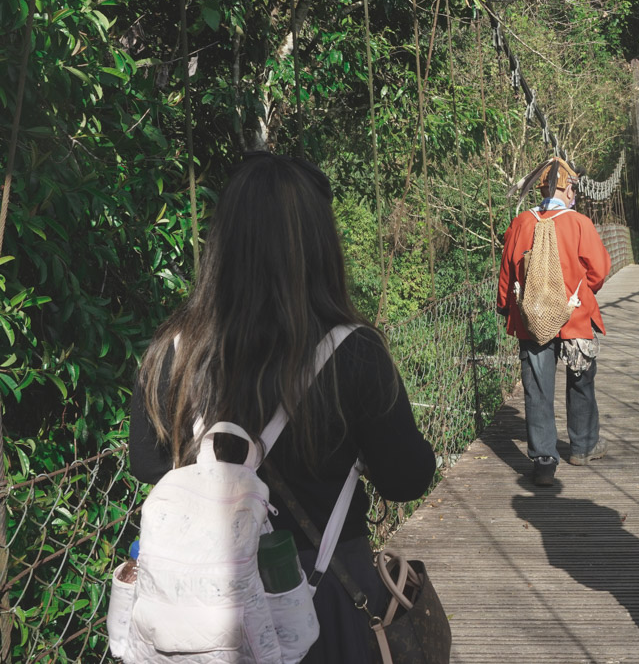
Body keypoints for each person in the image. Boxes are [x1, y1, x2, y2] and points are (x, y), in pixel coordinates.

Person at [130, 152, 437, 664]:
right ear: (320, 246)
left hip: (208, 616)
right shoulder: (353, 352)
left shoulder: (174, 350)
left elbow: (146, 463)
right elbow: (407, 479)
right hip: (324, 607)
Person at [497, 157, 611, 486]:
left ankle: (544, 460)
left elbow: (506, 273)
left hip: (532, 319)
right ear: (564, 187)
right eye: (574, 187)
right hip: (574, 316)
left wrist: (507, 306)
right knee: (581, 380)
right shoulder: (579, 224)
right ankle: (583, 446)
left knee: (536, 387)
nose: (575, 193)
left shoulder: (520, 223)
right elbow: (599, 272)